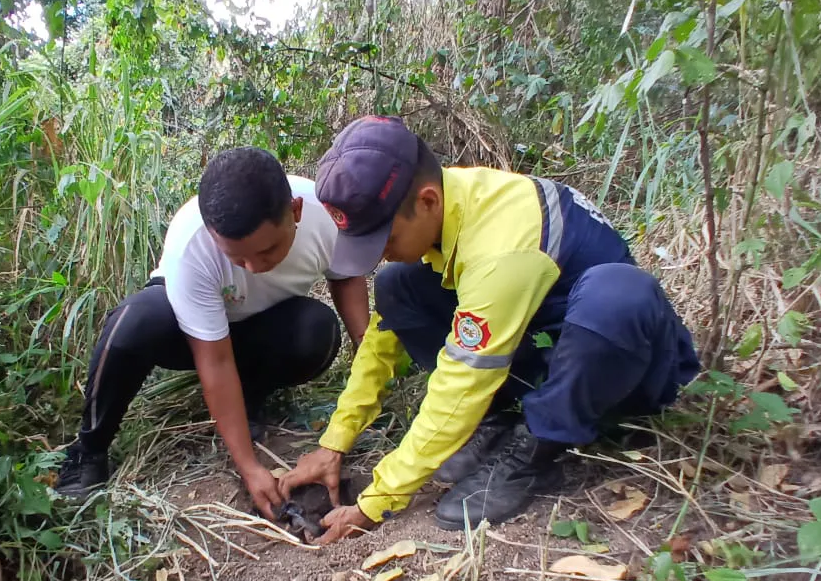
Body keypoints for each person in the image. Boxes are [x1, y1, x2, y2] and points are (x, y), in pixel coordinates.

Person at [279, 115, 700, 542]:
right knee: (397, 285)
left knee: (617, 294)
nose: (380, 255)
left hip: (620, 374)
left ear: (426, 202)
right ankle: (495, 422)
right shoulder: (451, 199)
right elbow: (382, 342)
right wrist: (335, 441)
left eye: (384, 240)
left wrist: (376, 501)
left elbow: (462, 381)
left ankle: (539, 445)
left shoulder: (501, 247)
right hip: (541, 344)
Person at [56, 147, 371, 518]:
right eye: (237, 258)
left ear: (296, 212)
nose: (253, 267)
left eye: (267, 251)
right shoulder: (193, 243)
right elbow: (215, 359)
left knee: (316, 331)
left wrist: (367, 359)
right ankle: (89, 449)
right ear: (212, 234)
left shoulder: (324, 215)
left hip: (261, 328)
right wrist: (250, 467)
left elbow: (346, 276)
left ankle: (254, 397)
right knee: (132, 324)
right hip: (187, 333)